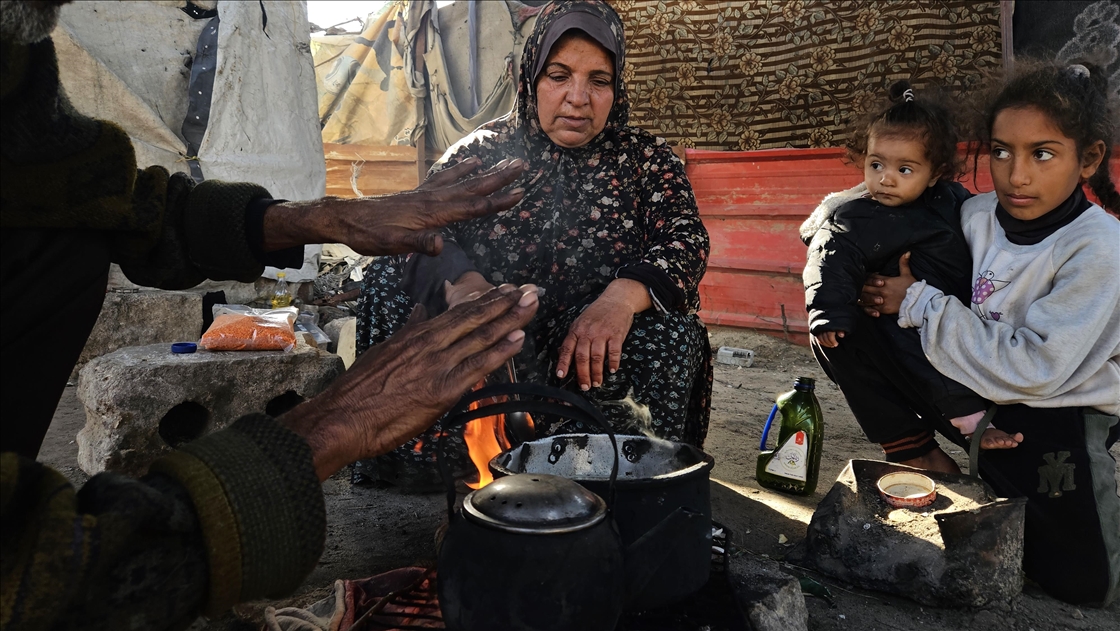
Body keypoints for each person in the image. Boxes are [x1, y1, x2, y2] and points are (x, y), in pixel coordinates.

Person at [1, 1, 540, 628]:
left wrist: (324, 217)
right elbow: (35, 577)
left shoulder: (16, 47)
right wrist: (332, 426)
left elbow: (89, 194)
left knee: (62, 240)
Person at [353, 0, 711, 485]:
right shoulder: (483, 154)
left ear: (617, 87)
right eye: (559, 75)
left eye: (598, 80)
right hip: (490, 349)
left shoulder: (645, 162)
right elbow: (418, 227)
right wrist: (464, 285)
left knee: (672, 332)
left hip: (586, 358)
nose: (577, 98)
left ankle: (616, 473)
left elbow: (685, 237)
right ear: (530, 77)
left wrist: (622, 298)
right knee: (385, 284)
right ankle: (426, 462)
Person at [862, 62, 1119, 606]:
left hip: (1059, 416)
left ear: (1089, 159)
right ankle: (916, 452)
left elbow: (1038, 371)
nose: (1016, 175)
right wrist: (828, 232)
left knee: (1082, 585)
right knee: (847, 320)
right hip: (977, 394)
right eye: (1000, 151)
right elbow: (879, 195)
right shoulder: (976, 213)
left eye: (1041, 154)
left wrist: (918, 300)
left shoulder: (1098, 247)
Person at [800, 80, 1016, 471]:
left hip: (960, 314)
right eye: (876, 164)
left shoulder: (956, 202)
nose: (886, 178)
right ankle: (967, 425)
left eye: (905, 169)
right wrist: (827, 311)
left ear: (935, 174)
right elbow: (828, 259)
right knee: (910, 354)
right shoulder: (856, 217)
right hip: (902, 318)